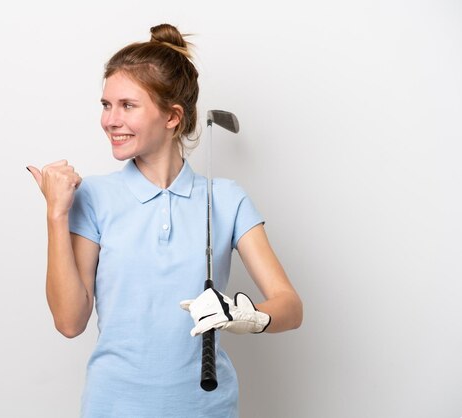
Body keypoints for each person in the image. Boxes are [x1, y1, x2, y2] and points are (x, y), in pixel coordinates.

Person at [27, 23, 302, 418]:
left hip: (208, 408)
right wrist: (56, 213)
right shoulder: (92, 197)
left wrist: (251, 316)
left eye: (127, 105)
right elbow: (70, 321)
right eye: (106, 105)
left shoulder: (225, 199)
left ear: (173, 116)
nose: (110, 120)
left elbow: (290, 306)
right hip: (112, 408)